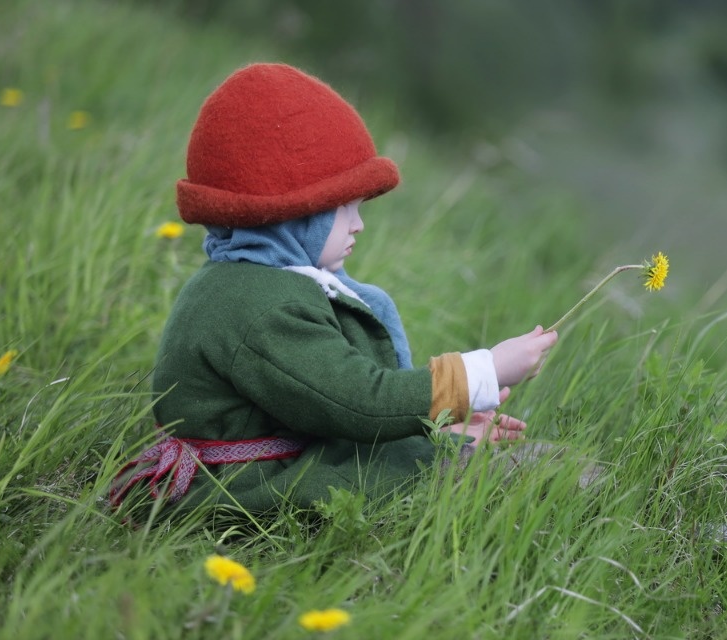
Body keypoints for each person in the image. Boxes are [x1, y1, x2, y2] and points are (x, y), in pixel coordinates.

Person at [110, 63, 558, 515]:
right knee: (495, 481)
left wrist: (436, 428)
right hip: (247, 484)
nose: (358, 225)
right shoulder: (261, 307)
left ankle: (462, 457)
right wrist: (486, 371)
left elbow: (318, 402)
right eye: (345, 209)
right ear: (293, 212)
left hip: (282, 454)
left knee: (451, 458)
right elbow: (360, 402)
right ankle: (510, 482)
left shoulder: (247, 281)